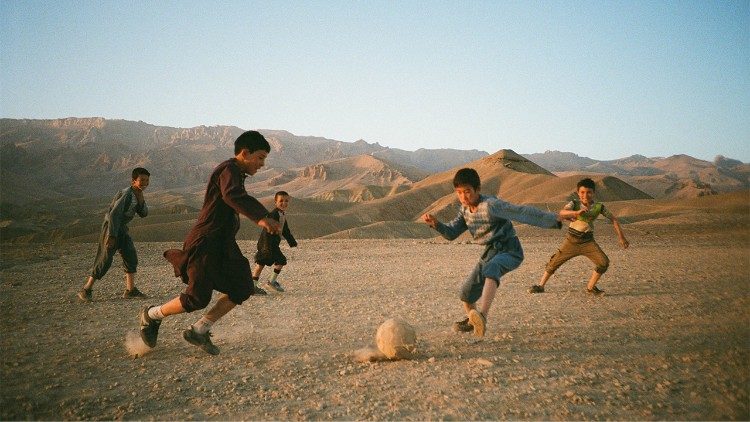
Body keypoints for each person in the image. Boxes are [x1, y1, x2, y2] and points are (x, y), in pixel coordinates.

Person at [138, 131, 281, 355]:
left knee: (242, 286)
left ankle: (200, 329)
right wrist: (261, 217)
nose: (262, 164)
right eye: (261, 157)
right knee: (197, 298)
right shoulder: (229, 170)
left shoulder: (236, 173)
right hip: (206, 242)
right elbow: (232, 195)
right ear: (245, 153)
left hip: (223, 244)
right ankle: (152, 315)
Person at [422, 168, 582, 337]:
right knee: (467, 294)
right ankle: (473, 322)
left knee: (492, 268)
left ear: (477, 189)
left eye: (467, 191)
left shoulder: (491, 205)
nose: (463, 197)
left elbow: (521, 212)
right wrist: (437, 224)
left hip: (510, 249)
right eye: (459, 193)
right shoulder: (465, 211)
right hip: (489, 252)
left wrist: (556, 217)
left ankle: (482, 316)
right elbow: (452, 233)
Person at [528, 177, 629, 295]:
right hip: (571, 241)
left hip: (588, 242)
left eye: (589, 192)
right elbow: (562, 212)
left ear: (593, 193)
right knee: (554, 263)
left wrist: (621, 237)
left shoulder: (599, 207)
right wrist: (575, 213)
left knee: (603, 262)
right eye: (582, 192)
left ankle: (591, 288)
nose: (585, 195)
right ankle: (541, 286)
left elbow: (614, 219)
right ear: (578, 193)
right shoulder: (574, 204)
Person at [77, 167, 151, 302]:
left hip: (122, 228)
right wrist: (111, 236)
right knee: (105, 259)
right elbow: (113, 215)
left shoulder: (138, 194)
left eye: (147, 180)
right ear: (134, 181)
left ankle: (130, 290)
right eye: (142, 180)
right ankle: (86, 289)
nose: (145, 183)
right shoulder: (126, 194)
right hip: (112, 228)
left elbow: (144, 213)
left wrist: (141, 200)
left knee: (130, 255)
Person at [252, 191, 298, 293]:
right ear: (275, 202)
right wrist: (267, 247)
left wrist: (292, 241)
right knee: (262, 263)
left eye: (286, 201)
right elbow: (267, 232)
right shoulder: (273, 215)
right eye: (281, 201)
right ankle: (266, 283)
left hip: (271, 244)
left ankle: (263, 284)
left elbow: (285, 230)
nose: (284, 203)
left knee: (266, 263)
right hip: (267, 244)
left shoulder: (281, 214)